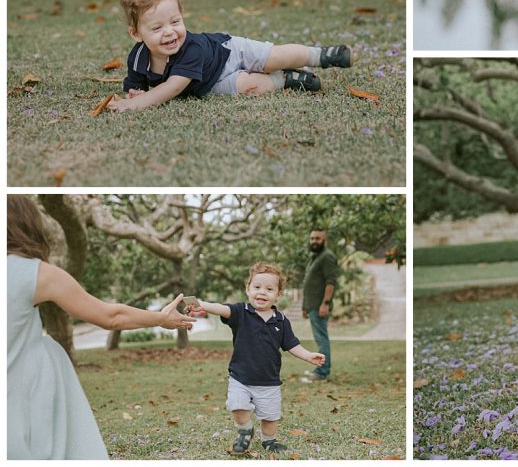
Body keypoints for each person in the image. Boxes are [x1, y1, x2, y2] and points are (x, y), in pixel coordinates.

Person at [7, 195, 195, 459]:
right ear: (28, 225)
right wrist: (161, 318)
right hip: (22, 402)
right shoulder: (37, 274)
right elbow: (111, 316)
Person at [107, 0, 354, 111]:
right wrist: (135, 93)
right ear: (136, 34)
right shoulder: (138, 57)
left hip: (228, 53)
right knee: (249, 85)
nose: (170, 32)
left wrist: (134, 104)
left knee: (274, 59)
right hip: (208, 83)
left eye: (175, 21)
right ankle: (287, 80)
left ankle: (319, 56)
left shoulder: (190, 49)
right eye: (157, 28)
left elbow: (172, 88)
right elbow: (135, 85)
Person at [186, 262, 325, 457]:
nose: (262, 292)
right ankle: (245, 430)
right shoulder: (241, 312)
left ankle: (269, 440)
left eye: (269, 289)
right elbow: (221, 308)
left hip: (268, 381)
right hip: (240, 377)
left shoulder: (281, 320)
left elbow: (291, 345)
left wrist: (309, 355)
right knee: (237, 405)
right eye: (257, 287)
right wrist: (202, 305)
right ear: (248, 289)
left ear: (278, 294)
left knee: (270, 418)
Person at [300, 228, 338, 383]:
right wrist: (304, 306)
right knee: (319, 339)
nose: (314, 241)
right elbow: (309, 284)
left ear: (325, 240)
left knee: (321, 339)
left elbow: (330, 282)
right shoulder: (315, 257)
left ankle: (322, 372)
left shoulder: (327, 257)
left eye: (318, 238)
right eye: (312, 238)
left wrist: (325, 303)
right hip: (312, 306)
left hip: (320, 306)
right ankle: (321, 369)